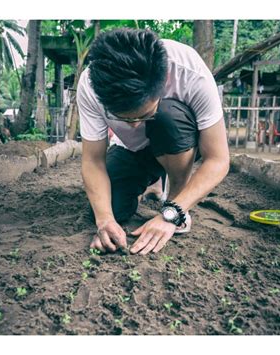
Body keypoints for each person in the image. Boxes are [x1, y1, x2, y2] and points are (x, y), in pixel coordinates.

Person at [78, 28, 230, 255]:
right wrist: (104, 219)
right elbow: (93, 161)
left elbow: (218, 160)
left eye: (144, 115)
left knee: (167, 117)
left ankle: (174, 198)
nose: (135, 126)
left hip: (178, 140)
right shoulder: (90, 86)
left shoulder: (189, 71)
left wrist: (171, 214)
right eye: (123, 119)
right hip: (131, 150)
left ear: (164, 80)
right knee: (111, 208)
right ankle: (150, 183)